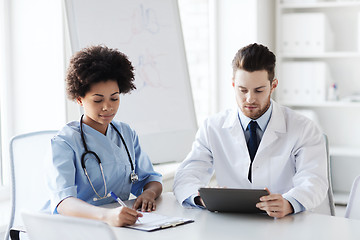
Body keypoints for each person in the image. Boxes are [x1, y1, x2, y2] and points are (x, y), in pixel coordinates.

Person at [173, 43, 328, 218]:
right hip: (231, 222)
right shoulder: (212, 127)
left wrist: (290, 203)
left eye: (259, 90)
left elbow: (315, 180)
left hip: (284, 223)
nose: (250, 99)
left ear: (273, 85)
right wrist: (202, 199)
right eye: (243, 90)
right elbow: (186, 175)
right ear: (233, 84)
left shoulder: (303, 128)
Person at [44, 45, 162, 226]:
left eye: (114, 98)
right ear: (79, 99)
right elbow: (63, 202)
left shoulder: (126, 134)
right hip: (74, 227)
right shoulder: (65, 142)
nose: (108, 107)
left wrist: (149, 193)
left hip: (117, 226)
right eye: (98, 100)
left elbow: (150, 179)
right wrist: (106, 216)